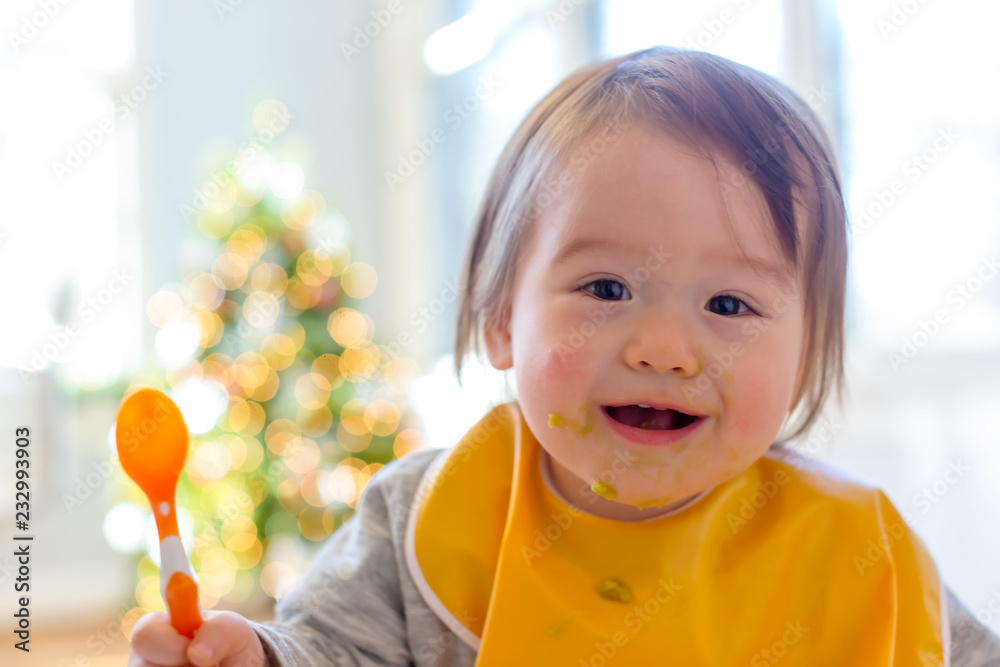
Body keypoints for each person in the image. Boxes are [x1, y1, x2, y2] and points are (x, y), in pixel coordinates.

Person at [127, 46, 1000, 666]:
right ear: (503, 316)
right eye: (606, 289)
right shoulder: (427, 517)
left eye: (729, 303)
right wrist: (261, 659)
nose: (662, 349)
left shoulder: (859, 553)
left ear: (807, 354)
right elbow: (330, 647)